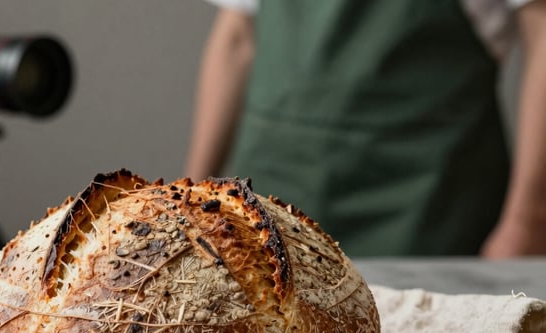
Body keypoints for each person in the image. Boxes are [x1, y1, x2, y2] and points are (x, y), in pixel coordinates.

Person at [185, 0, 546, 257]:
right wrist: (189, 198)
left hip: (428, 196)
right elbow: (237, 37)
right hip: (278, 184)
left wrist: (526, 221)